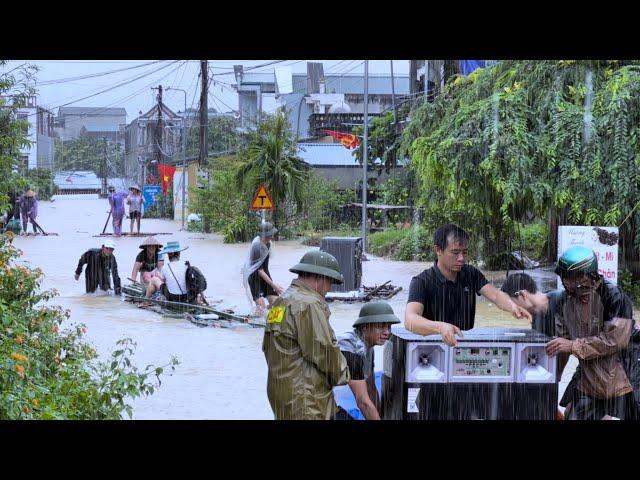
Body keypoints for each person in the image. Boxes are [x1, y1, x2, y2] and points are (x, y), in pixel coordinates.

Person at [405, 223, 532, 346]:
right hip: (432, 350)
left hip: (464, 347)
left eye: (464, 252)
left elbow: (496, 295)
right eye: (455, 253)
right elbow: (410, 320)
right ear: (438, 250)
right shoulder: (421, 281)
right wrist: (440, 327)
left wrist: (513, 306)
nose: (461, 258)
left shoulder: (471, 274)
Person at [549, 245, 638, 420]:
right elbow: (563, 344)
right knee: (569, 415)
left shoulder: (614, 296)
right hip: (588, 379)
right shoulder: (565, 301)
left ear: (586, 276)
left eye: (570, 277)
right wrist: (555, 378)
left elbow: (614, 340)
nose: (565, 282)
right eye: (564, 277)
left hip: (623, 379)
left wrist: (573, 345)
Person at [262, 250, 350, 420]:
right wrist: (344, 373)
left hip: (282, 393)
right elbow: (323, 350)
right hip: (306, 398)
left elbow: (269, 349)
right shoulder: (308, 304)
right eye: (330, 282)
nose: (329, 289)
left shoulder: (281, 302)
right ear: (320, 279)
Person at [333, 301, 401, 420]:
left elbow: (371, 389)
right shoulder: (351, 349)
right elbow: (363, 403)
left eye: (389, 327)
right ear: (365, 327)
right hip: (306, 397)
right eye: (380, 327)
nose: (387, 332)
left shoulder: (368, 348)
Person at [500, 272, 564, 337]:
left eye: (512, 304)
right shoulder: (537, 318)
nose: (514, 310)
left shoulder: (563, 300)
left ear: (522, 295)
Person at [242, 222, 284, 314]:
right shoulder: (257, 246)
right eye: (270, 234)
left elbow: (264, 267)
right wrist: (274, 285)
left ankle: (274, 324)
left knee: (277, 303)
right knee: (261, 308)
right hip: (255, 277)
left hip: (265, 273)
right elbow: (259, 270)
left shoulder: (268, 244)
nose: (272, 236)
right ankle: (258, 322)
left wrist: (273, 285)